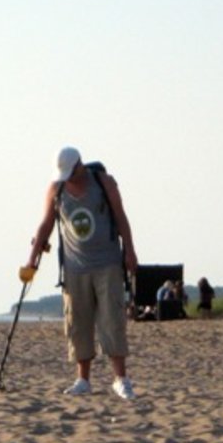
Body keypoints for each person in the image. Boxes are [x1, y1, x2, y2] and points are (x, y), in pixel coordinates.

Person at [25, 146, 138, 400]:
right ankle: (82, 379)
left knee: (112, 320)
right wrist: (32, 258)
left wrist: (129, 251)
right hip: (74, 266)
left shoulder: (104, 183)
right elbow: (46, 224)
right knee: (78, 323)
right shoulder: (57, 189)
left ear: (80, 165)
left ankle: (121, 379)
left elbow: (121, 217)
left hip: (107, 263)